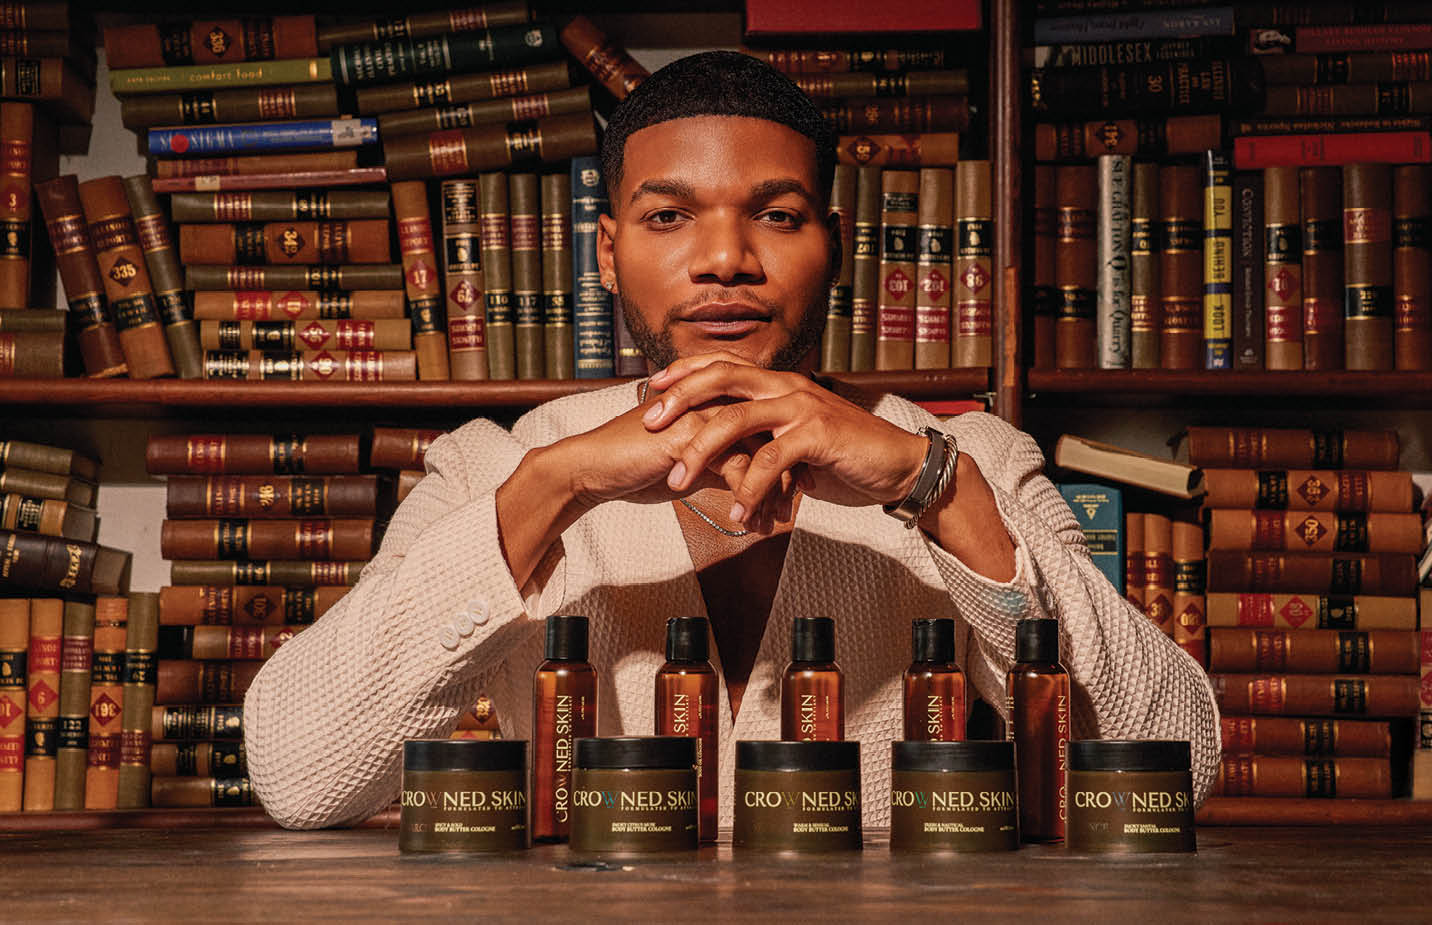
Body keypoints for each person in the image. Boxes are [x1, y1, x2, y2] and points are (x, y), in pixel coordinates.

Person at [244, 51, 1221, 829]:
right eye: (668, 216)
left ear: (832, 244)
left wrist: (935, 486)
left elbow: (1176, 763)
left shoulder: (976, 464)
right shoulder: (493, 470)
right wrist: (555, 486)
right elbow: (299, 774)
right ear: (608, 252)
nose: (724, 259)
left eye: (777, 216)